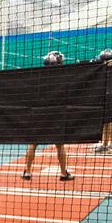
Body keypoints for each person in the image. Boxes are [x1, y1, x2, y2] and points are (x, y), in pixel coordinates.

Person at [21, 51, 75, 181]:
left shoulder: (38, 77)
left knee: (33, 143)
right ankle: (63, 173)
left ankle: (27, 172)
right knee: (60, 145)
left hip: (39, 114)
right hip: (56, 114)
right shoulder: (63, 78)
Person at [93, 49, 112, 154]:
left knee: (108, 122)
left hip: (110, 98)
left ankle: (109, 145)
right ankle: (107, 144)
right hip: (107, 97)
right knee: (107, 122)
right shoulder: (109, 69)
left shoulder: (111, 70)